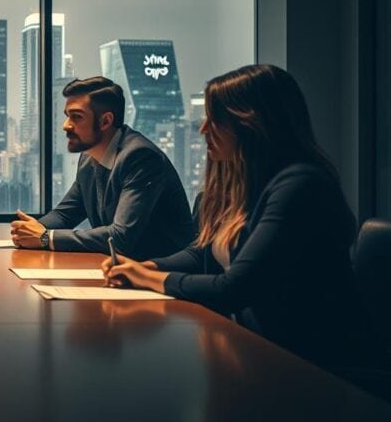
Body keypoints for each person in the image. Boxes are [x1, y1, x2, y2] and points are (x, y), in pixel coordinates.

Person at [103, 64, 369, 367]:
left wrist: (147, 277)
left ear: (252, 124)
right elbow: (202, 254)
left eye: (215, 119)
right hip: (260, 348)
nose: (203, 129)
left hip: (313, 365)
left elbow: (234, 288)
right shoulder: (244, 186)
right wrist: (142, 265)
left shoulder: (301, 186)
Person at [11, 76, 194, 260]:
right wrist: (31, 229)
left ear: (105, 121)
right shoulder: (89, 157)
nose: (65, 125)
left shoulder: (141, 157)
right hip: (120, 267)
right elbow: (64, 215)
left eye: (76, 117)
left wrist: (45, 238)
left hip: (160, 273)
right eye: (67, 116)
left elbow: (121, 237)